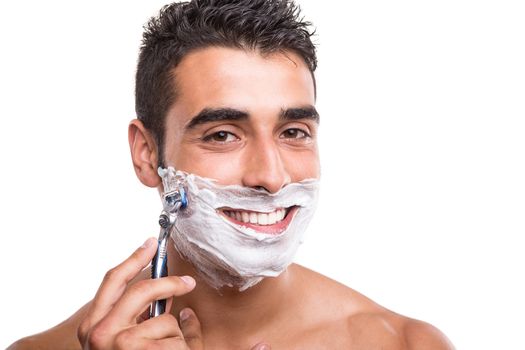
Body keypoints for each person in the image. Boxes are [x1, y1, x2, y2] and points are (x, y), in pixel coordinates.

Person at [9, 0, 454, 349]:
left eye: (293, 131)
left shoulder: (406, 344)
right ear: (146, 154)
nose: (272, 176)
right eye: (223, 135)